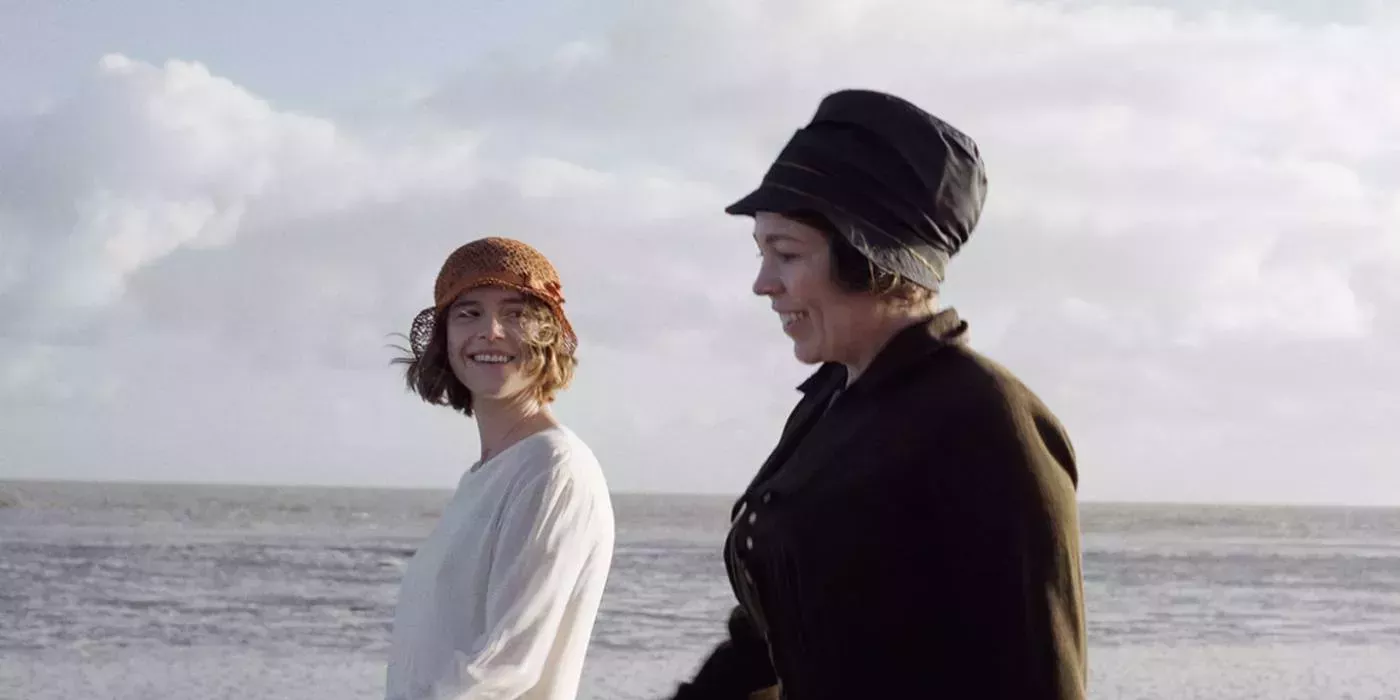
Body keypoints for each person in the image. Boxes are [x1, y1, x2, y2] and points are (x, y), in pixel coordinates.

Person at [665, 90, 1088, 700]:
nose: (763, 283)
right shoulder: (828, 403)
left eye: (786, 254)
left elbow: (1041, 678)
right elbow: (769, 637)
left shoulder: (986, 419)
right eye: (761, 253)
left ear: (870, 257)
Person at [385, 236, 615, 700]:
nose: (490, 331)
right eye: (468, 313)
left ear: (547, 335)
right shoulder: (487, 474)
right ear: (445, 339)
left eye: (515, 314)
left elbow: (506, 666)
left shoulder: (554, 468)